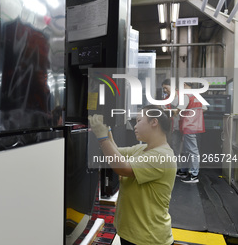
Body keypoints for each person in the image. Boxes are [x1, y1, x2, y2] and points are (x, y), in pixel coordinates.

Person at [88, 105, 176, 245]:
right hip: (131, 233)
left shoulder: (162, 156)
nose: (134, 126)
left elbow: (122, 168)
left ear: (154, 122)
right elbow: (116, 151)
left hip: (148, 238)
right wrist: (107, 130)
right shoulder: (142, 148)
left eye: (139, 120)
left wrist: (102, 138)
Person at [175, 82, 206, 183]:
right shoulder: (197, 95)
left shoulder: (186, 95)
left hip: (189, 126)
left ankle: (194, 175)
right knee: (188, 149)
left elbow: (178, 110)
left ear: (183, 84)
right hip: (197, 125)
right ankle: (184, 171)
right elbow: (204, 109)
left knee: (192, 151)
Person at [161, 79, 183, 175]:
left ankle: (188, 170)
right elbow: (166, 111)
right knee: (175, 147)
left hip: (186, 125)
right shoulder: (166, 99)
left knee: (187, 148)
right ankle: (177, 168)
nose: (165, 90)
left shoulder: (182, 95)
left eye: (166, 87)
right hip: (174, 126)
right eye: (163, 88)